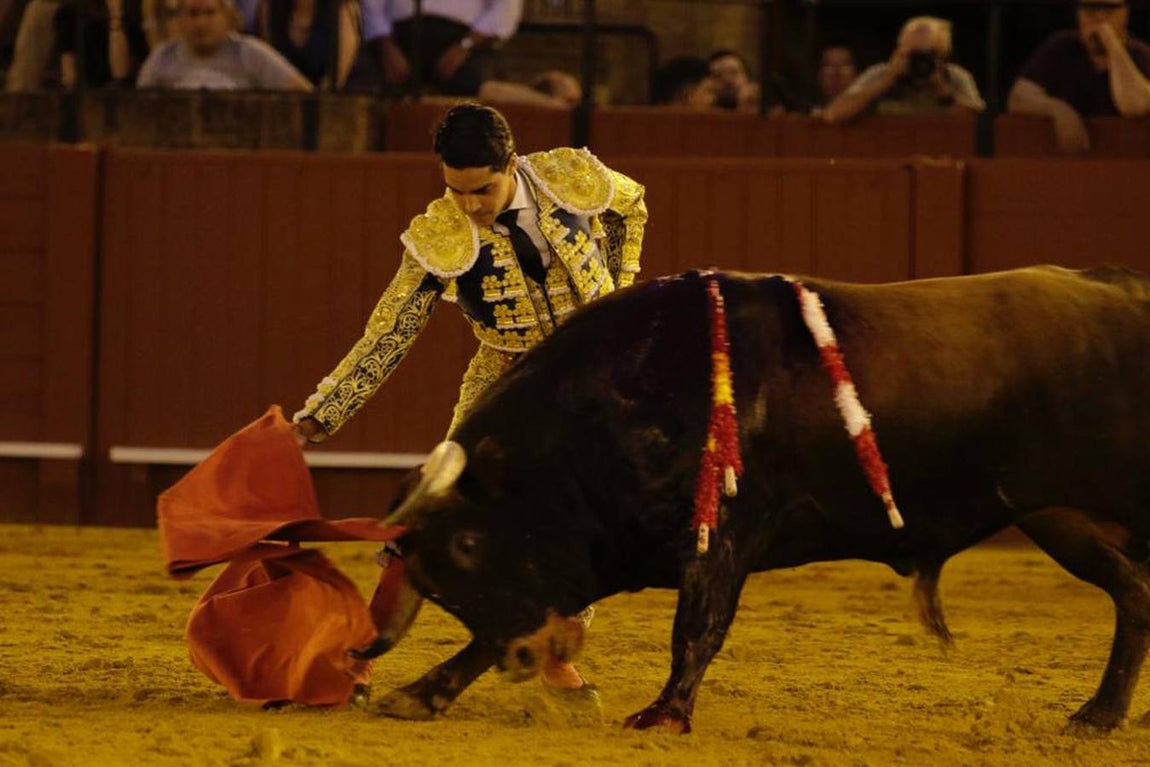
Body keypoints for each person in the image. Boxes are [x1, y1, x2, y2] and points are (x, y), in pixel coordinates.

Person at [291, 103, 648, 698]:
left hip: (589, 369)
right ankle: (363, 653)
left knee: (582, 517)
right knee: (435, 508)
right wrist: (321, 415)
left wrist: (621, 288)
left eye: (482, 189)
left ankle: (556, 657)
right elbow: (391, 330)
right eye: (456, 191)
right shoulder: (441, 232)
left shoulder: (570, 178)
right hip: (502, 372)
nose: (471, 205)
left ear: (511, 163)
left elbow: (630, 206)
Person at [1007, 0, 1150, 154]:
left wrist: (1112, 45)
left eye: (1110, 9)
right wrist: (1058, 109)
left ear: (1125, 13)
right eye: (1090, 9)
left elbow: (1136, 105)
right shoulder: (1061, 48)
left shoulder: (1140, 54)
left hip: (1126, 164)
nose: (1100, 17)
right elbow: (1018, 97)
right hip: (1070, 164)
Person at [821, 16, 984, 124]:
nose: (917, 62)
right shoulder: (881, 73)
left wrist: (942, 92)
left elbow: (979, 126)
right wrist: (886, 82)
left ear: (942, 57)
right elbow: (833, 115)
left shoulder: (955, 76)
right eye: (910, 54)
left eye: (925, 55)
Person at [136, 0, 312, 90]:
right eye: (192, 13)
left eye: (209, 13)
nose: (201, 23)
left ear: (227, 17)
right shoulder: (162, 57)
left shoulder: (250, 53)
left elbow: (304, 94)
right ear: (180, 19)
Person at [261, 0, 360, 89]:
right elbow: (269, 71)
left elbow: (337, 79)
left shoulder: (342, 9)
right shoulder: (270, 8)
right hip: (281, 100)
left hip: (334, 101)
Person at [54, 0, 150, 88]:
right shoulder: (71, 13)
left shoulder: (137, 11)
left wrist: (116, 15)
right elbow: (69, 77)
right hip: (90, 93)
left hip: (129, 91)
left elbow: (121, 73)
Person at [810, 39, 858, 114]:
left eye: (845, 65)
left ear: (856, 74)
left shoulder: (876, 116)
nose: (837, 73)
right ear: (818, 75)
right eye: (829, 66)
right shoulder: (804, 115)